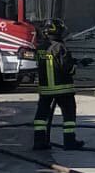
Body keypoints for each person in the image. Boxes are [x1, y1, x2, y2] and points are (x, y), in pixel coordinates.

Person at [33, 20, 83, 151]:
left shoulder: (41, 48)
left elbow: (51, 63)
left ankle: (39, 142)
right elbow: (67, 68)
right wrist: (75, 66)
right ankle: (69, 142)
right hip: (63, 89)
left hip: (45, 90)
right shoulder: (60, 47)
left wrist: (76, 61)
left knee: (41, 117)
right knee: (68, 117)